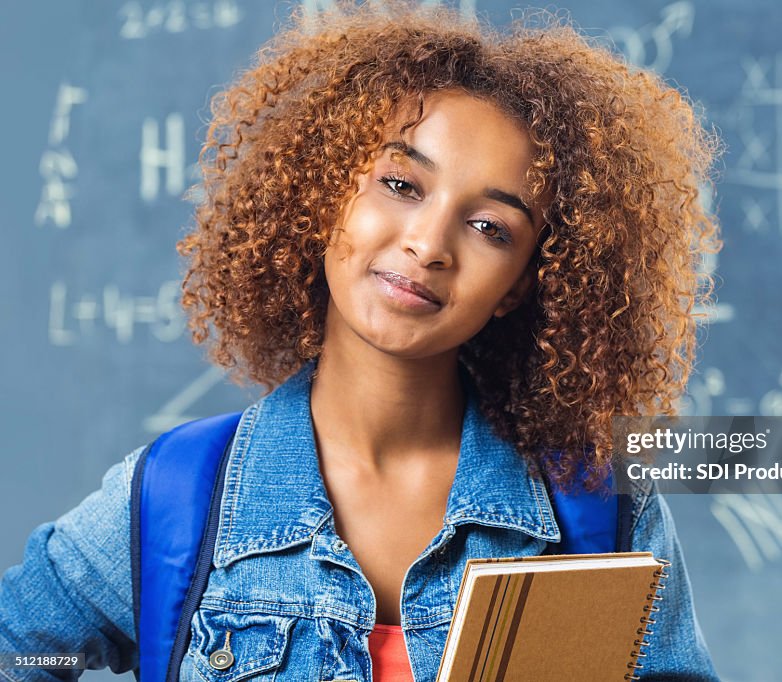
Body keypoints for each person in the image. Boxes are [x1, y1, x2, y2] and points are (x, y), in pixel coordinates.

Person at [0, 1, 720, 679]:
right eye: (402, 185)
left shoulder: (600, 512)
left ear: (524, 286)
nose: (429, 244)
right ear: (323, 193)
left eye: (490, 228)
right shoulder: (176, 496)